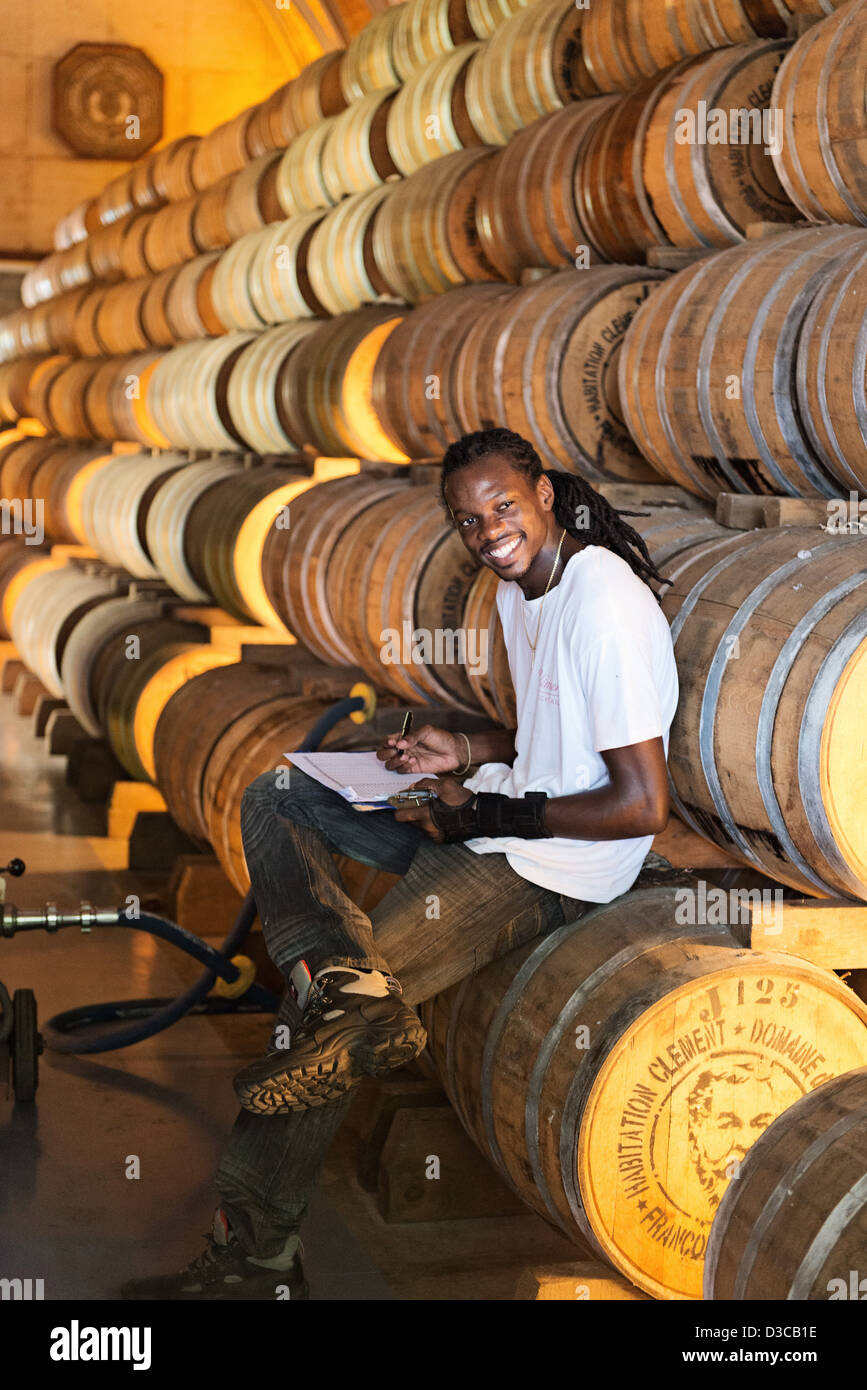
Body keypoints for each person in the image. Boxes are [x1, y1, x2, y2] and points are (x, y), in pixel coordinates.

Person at [121, 426, 679, 1300]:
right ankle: (350, 988)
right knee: (278, 794)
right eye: (466, 519)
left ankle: (254, 1266)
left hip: (550, 865)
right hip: (495, 818)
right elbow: (548, 739)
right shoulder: (521, 589)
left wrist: (481, 811)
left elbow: (641, 804)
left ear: (542, 492)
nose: (487, 530)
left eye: (501, 506)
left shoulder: (601, 602)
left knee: (315, 1035)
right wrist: (455, 748)